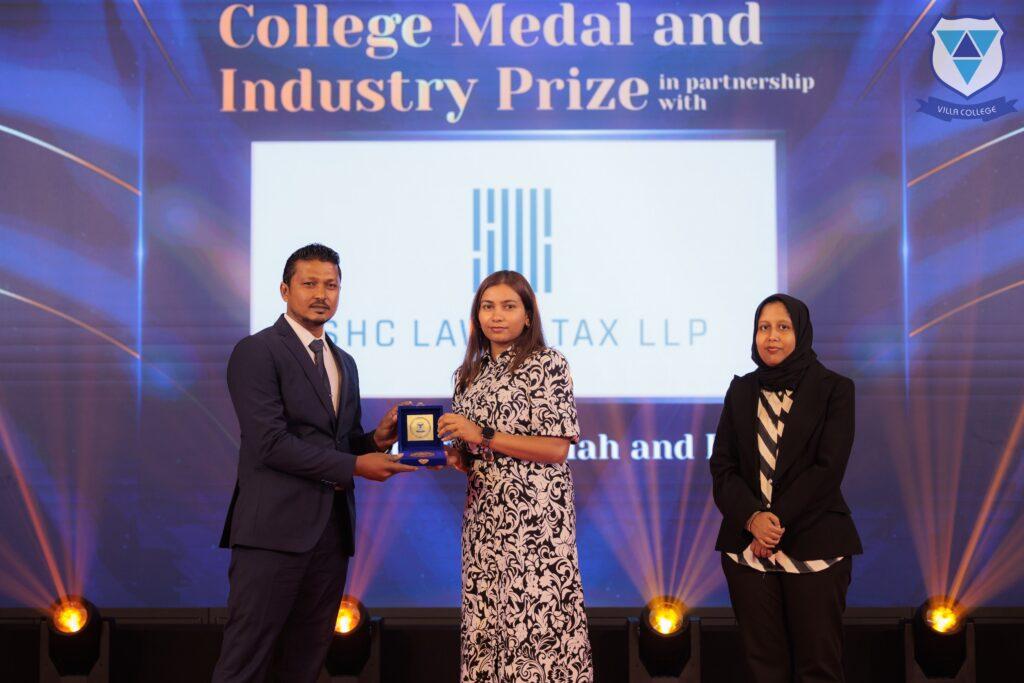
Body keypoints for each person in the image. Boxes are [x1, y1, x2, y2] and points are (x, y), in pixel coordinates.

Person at [213, 243, 416, 683]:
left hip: (331, 537)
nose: (321, 294)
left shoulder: (345, 362)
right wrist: (356, 467)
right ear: (285, 290)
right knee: (245, 664)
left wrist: (375, 441)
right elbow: (270, 444)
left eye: (331, 285)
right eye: (309, 284)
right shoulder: (257, 351)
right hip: (272, 535)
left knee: (303, 665)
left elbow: (340, 444)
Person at [438, 270, 593, 683]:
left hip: (536, 524)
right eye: (487, 306)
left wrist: (483, 435)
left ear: (528, 316)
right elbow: (473, 451)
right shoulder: (469, 375)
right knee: (486, 625)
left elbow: (556, 448)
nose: (496, 315)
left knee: (537, 627)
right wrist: (455, 455)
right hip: (485, 522)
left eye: (509, 306)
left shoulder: (547, 363)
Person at [709, 293, 862, 683]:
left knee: (818, 669)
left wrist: (773, 523)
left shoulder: (834, 389)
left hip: (815, 547)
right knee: (764, 670)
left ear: (801, 333)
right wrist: (753, 520)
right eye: (764, 328)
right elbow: (723, 468)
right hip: (748, 554)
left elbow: (827, 470)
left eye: (782, 327)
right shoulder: (741, 390)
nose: (771, 337)